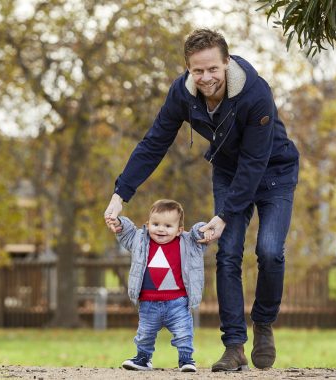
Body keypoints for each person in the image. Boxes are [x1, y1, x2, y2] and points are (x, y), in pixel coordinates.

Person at [104, 28, 299, 371]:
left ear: (226, 63)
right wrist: (121, 194)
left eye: (212, 69)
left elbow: (254, 163)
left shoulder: (255, 94)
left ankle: (264, 324)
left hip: (273, 173)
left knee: (269, 251)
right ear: (188, 70)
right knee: (227, 253)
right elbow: (154, 143)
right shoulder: (183, 94)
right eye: (197, 70)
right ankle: (234, 347)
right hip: (227, 172)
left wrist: (223, 214)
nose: (206, 78)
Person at [106, 199, 208, 372]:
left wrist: (203, 230)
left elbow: (199, 235)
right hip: (148, 303)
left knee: (184, 333)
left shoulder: (186, 243)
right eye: (156, 224)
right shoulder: (140, 240)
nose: (161, 229)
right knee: (144, 334)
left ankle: (186, 360)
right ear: (148, 224)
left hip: (178, 302)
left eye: (168, 226)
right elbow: (127, 233)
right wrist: (118, 222)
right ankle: (143, 359)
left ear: (179, 230)